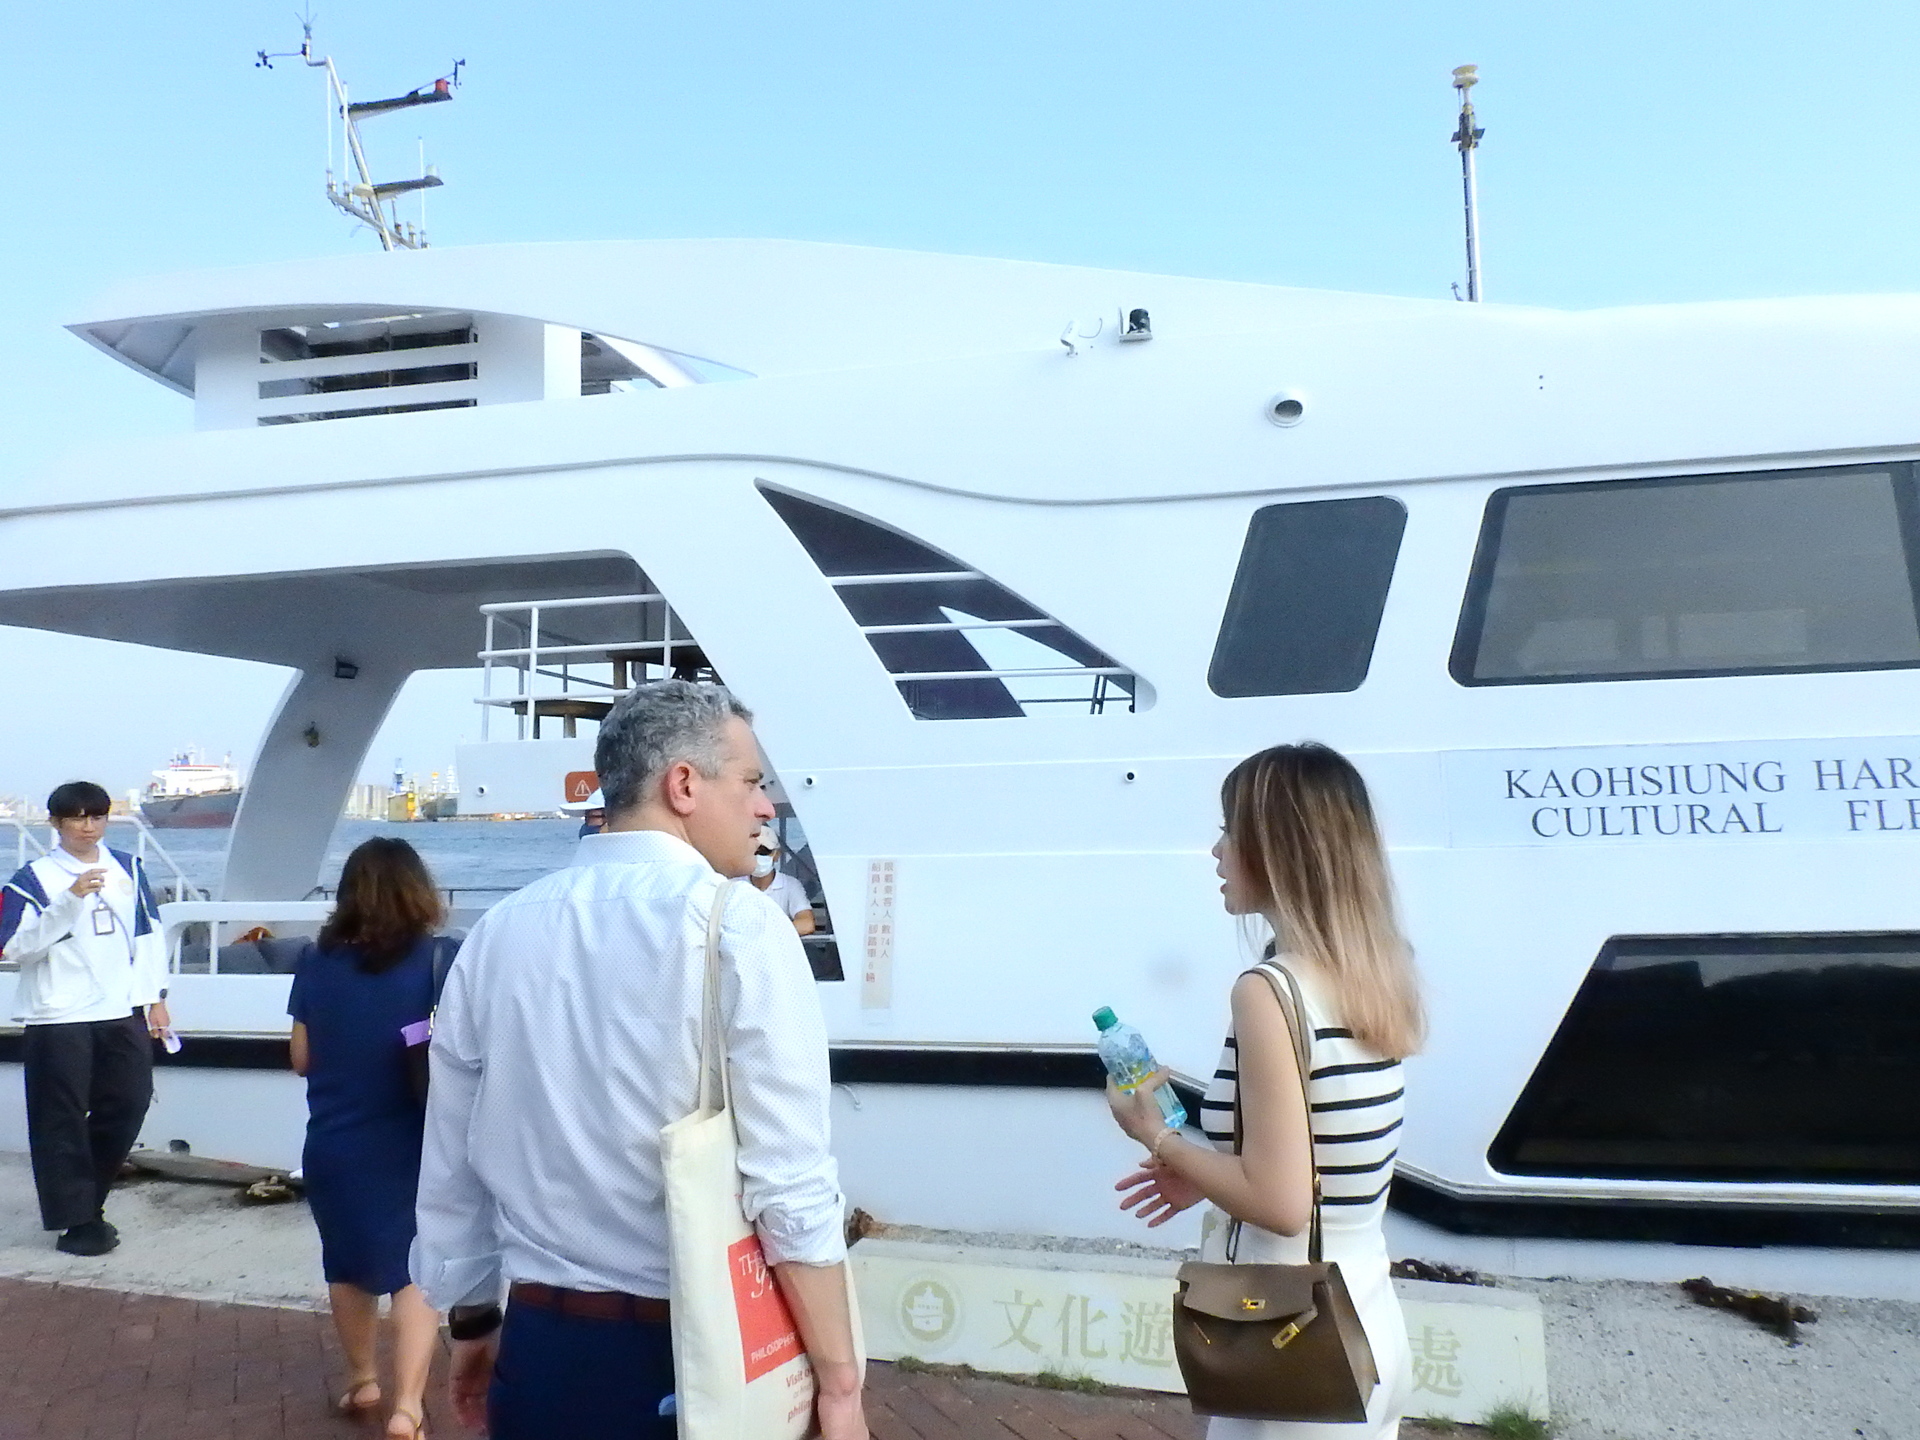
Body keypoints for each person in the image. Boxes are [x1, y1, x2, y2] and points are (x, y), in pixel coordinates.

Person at [414, 680, 865, 1439]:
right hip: (693, 1356)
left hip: (537, 1346)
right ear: (683, 784)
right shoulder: (740, 927)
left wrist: (473, 1322)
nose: (765, 808)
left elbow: (452, 1166)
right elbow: (788, 1182)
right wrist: (841, 1383)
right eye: (752, 783)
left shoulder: (497, 933)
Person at [1105, 743, 1422, 1439]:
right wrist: (1209, 1173)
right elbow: (1329, 1167)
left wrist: (1153, 1134)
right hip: (1364, 1319)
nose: (1217, 850)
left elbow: (1280, 1204)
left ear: (1280, 847)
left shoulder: (1268, 991)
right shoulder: (1373, 970)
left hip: (1289, 1337)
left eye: (1231, 829)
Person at [289, 838, 448, 1439]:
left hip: (335, 1140)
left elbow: (301, 1057)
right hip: (415, 1137)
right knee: (415, 1271)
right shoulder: (440, 959)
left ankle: (363, 1380)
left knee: (348, 1267)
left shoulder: (315, 961)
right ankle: (408, 1406)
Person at [0, 781, 169, 1257]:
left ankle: (87, 1202)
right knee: (61, 1119)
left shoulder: (128, 867)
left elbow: (149, 934)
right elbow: (13, 948)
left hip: (120, 1008)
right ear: (56, 824)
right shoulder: (33, 879)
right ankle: (75, 1221)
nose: (87, 827)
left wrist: (155, 997)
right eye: (76, 818)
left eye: (96, 816)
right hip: (59, 1014)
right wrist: (69, 900)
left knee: (129, 1103)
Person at [750, 824, 816, 935]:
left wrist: (764, 933)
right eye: (754, 852)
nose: (758, 856)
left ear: (776, 855)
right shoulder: (733, 884)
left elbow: (807, 923)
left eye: (764, 852)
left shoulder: (790, 885)